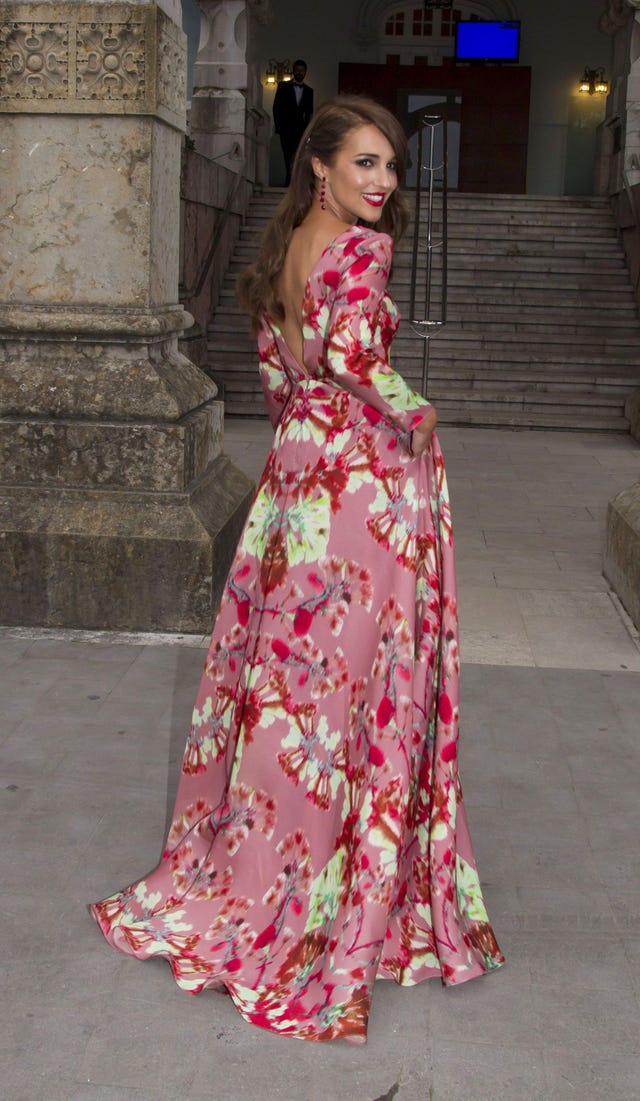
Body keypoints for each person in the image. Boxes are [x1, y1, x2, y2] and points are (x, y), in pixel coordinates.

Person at [90, 95, 505, 1044]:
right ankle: (337, 910)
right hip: (363, 501)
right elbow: (357, 356)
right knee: (366, 691)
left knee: (292, 696)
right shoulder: (361, 250)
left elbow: (289, 387)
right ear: (319, 166)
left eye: (391, 168)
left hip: (295, 492)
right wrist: (417, 413)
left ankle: (265, 878)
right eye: (365, 164)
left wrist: (319, 443)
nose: (383, 184)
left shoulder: (286, 251)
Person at [273, 59, 314, 185]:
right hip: (285, 128)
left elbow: (309, 112)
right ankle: (289, 177)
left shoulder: (309, 91)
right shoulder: (283, 86)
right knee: (287, 153)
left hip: (300, 129)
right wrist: (278, 126)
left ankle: (292, 180)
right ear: (293, 71)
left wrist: (308, 130)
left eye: (302, 70)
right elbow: (276, 107)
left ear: (305, 72)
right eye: (297, 70)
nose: (299, 73)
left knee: (297, 154)